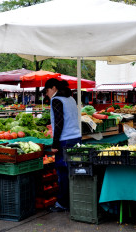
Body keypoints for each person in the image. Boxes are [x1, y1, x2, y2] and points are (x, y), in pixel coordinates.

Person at [42, 78, 81, 212]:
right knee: (74, 171)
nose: (47, 94)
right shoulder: (70, 98)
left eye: (47, 91)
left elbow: (59, 122)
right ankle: (75, 200)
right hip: (76, 138)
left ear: (53, 88)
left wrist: (55, 143)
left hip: (65, 140)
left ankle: (63, 203)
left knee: (63, 173)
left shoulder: (56, 100)